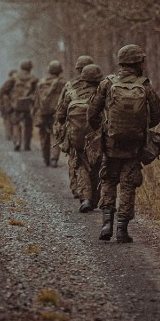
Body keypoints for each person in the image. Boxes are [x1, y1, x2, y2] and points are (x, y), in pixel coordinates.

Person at [87, 44, 160, 243]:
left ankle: (106, 223)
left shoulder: (107, 83)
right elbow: (156, 115)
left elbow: (92, 112)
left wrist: (102, 129)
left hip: (111, 144)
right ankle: (122, 229)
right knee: (128, 184)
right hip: (135, 146)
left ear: (121, 62)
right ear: (137, 63)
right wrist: (140, 129)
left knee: (109, 180)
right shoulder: (145, 85)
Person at [55, 63, 103, 212]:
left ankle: (86, 199)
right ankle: (95, 199)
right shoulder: (103, 94)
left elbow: (60, 116)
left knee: (81, 165)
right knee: (97, 165)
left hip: (76, 137)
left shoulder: (72, 93)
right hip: (97, 137)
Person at [33, 60, 67, 166]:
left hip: (43, 113)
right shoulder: (63, 84)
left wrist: (35, 112)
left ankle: (45, 158)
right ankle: (54, 159)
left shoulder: (41, 83)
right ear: (60, 71)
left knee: (43, 135)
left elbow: (37, 100)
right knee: (55, 135)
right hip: (56, 113)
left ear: (49, 71)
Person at [7, 59, 38, 151]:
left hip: (16, 104)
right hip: (28, 104)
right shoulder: (34, 79)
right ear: (30, 68)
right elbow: (38, 92)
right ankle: (27, 145)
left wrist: (10, 101)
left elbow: (6, 91)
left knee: (16, 123)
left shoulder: (15, 78)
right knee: (28, 125)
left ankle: (17, 141)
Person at [0, 69, 18, 141]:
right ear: (11, 75)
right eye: (15, 74)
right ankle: (9, 136)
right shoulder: (10, 82)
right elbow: (2, 94)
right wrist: (3, 105)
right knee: (7, 121)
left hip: (10, 105)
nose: (16, 75)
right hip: (6, 106)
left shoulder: (15, 82)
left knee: (11, 121)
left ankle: (11, 136)